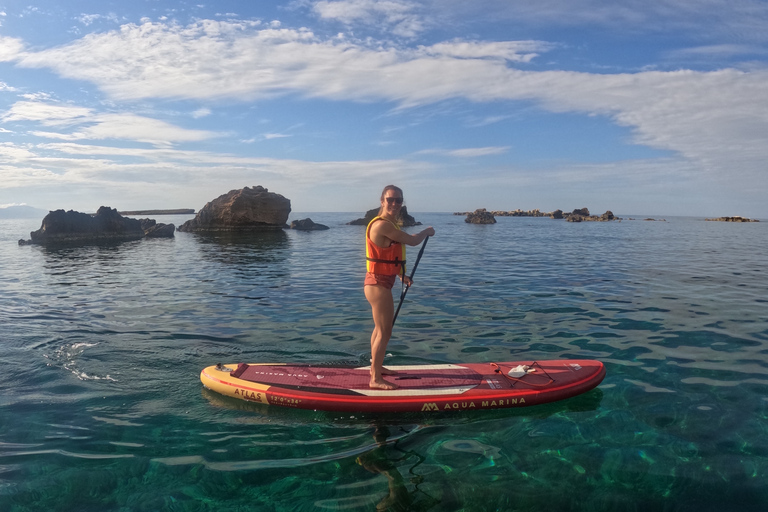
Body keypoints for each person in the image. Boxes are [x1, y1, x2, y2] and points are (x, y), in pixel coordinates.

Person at [364, 185, 435, 390]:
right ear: (382, 201)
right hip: (377, 285)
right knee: (385, 331)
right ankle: (375, 379)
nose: (394, 204)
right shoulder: (382, 225)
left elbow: (385, 256)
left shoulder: (388, 224)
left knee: (380, 330)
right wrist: (427, 232)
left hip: (380, 282)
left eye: (398, 200)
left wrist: (401, 275)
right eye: (390, 200)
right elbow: (412, 241)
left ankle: (376, 367)